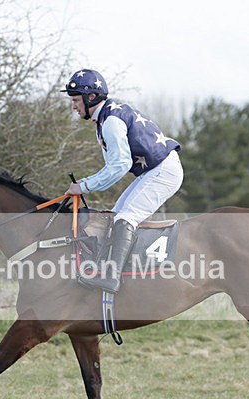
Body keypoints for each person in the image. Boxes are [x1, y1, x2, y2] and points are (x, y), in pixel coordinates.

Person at [62, 69, 183, 293]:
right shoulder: (105, 117)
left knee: (126, 217)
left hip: (164, 171)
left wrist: (84, 186)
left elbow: (119, 165)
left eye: (76, 100)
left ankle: (113, 279)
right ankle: (107, 270)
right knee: (116, 215)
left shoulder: (110, 122)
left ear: (91, 98)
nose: (73, 106)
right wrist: (85, 185)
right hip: (155, 169)